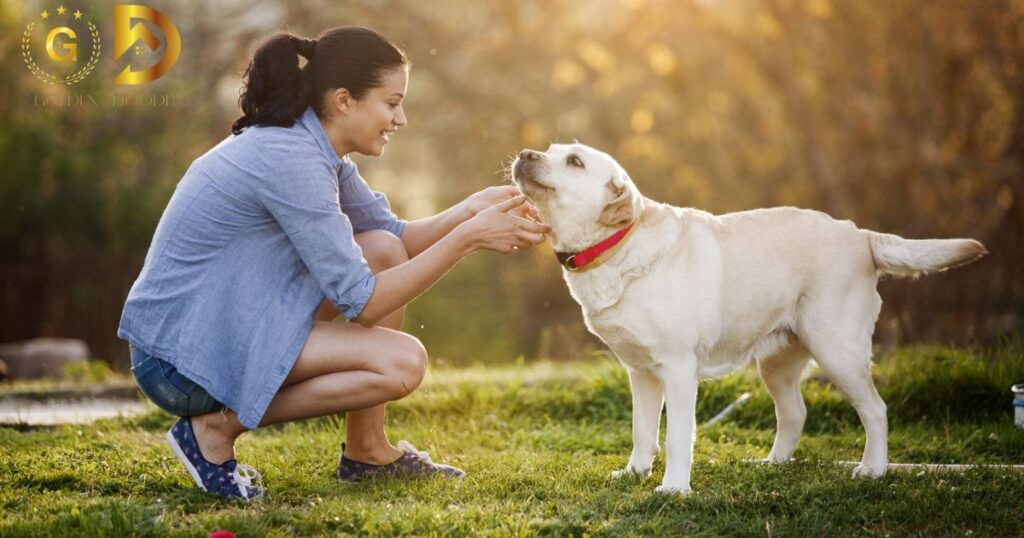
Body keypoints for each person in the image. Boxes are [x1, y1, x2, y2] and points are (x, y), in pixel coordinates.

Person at [117, 26, 548, 500]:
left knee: (383, 249)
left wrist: (469, 211)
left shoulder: (315, 148)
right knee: (402, 364)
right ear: (344, 100)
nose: (401, 118)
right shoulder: (291, 159)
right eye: (392, 102)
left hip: (226, 328)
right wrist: (468, 239)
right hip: (180, 363)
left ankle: (367, 451)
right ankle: (213, 431)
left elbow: (397, 239)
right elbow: (362, 302)